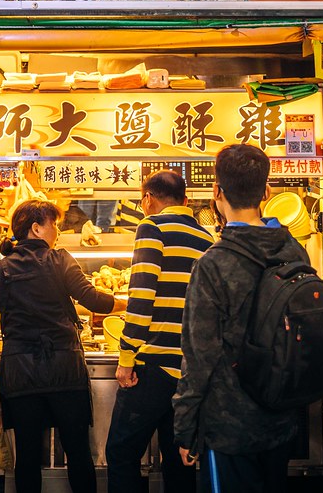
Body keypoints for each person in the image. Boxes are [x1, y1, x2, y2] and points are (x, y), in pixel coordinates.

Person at [173, 143, 308, 493]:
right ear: (266, 192)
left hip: (229, 427)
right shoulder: (294, 251)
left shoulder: (213, 264)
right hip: (281, 418)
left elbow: (199, 355)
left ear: (217, 192)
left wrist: (185, 426)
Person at [0, 200, 126, 493]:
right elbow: (94, 301)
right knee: (77, 451)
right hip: (64, 371)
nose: (59, 231)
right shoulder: (60, 260)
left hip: (20, 375)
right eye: (55, 224)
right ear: (36, 228)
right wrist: (127, 303)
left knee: (27, 456)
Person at [105, 170, 215, 493]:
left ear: (148, 199)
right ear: (185, 200)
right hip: (188, 374)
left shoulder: (151, 227)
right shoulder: (207, 239)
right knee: (178, 461)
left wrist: (126, 356)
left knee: (122, 454)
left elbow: (141, 297)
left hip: (151, 370)